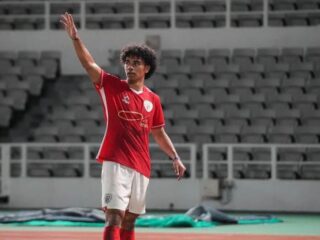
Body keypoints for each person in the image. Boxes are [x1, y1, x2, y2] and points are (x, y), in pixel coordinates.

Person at [60, 13, 186, 240]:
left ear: (146, 68)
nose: (129, 66)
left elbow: (158, 132)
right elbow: (89, 64)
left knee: (129, 219)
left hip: (141, 165)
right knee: (114, 216)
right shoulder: (111, 86)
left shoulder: (153, 100)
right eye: (127, 62)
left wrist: (175, 157)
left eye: (136, 63)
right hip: (116, 161)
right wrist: (75, 39)